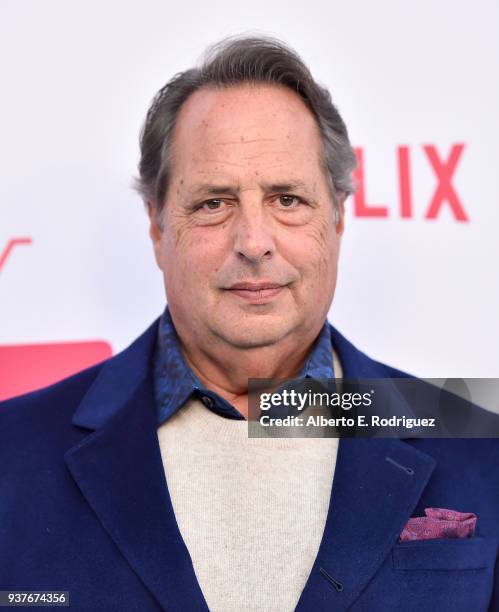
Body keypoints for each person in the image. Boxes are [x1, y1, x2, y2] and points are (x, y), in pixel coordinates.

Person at [1, 35, 498, 612]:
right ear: (158, 228)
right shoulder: (12, 454)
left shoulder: (476, 445)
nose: (254, 242)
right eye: (213, 203)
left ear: (338, 221)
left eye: (288, 199)